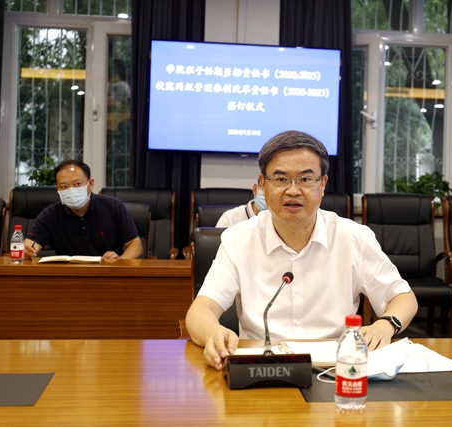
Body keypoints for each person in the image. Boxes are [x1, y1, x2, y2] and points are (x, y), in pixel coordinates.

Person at [186, 130, 418, 370]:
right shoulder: (237, 239)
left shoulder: (354, 238)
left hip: (336, 369)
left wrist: (385, 325)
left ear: (323, 184)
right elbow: (200, 311)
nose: (293, 190)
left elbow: (403, 297)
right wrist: (214, 332)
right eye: (281, 179)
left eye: (306, 179)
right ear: (263, 184)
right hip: (262, 367)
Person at [24, 160, 143, 260]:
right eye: (64, 186)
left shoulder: (113, 206)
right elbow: (31, 244)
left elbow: (135, 245)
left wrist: (120, 260)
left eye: (77, 184)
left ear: (90, 184)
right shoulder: (50, 214)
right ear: (57, 189)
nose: (71, 190)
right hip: (68, 275)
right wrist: (27, 249)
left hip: (107, 273)